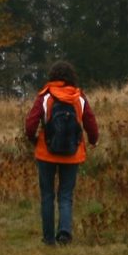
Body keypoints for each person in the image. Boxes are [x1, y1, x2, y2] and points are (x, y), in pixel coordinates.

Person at [24, 61, 99, 245]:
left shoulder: (45, 97)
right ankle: (64, 233)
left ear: (52, 76)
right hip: (73, 153)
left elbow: (30, 124)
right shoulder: (79, 97)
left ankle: (49, 238)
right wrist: (93, 140)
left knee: (47, 195)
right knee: (65, 195)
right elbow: (90, 123)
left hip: (46, 152)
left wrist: (34, 139)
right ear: (72, 77)